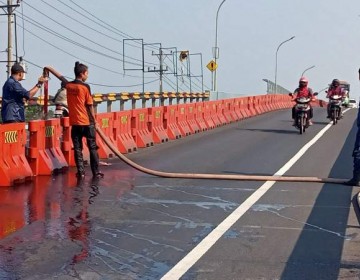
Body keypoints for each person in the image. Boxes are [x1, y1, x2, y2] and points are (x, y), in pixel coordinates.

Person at [66, 61, 103, 179]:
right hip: (87, 122)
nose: (87, 76)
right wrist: (95, 121)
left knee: (77, 148)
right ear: (82, 74)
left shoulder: (68, 86)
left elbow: (63, 81)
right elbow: (90, 105)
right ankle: (95, 172)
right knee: (92, 147)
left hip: (74, 122)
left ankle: (80, 172)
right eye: (87, 73)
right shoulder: (85, 87)